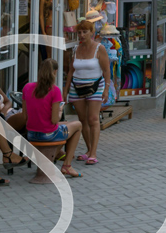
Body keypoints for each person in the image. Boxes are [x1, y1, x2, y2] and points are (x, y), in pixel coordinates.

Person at [26, 58, 84, 178]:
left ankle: (53, 158)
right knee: (78, 125)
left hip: (31, 133)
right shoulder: (54, 90)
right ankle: (67, 165)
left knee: (66, 124)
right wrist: (60, 110)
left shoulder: (27, 87)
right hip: (47, 134)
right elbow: (54, 120)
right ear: (55, 72)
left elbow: (25, 115)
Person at [64, 20, 111, 165]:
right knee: (82, 119)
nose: (82, 35)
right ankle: (89, 149)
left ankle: (94, 153)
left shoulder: (99, 48)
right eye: (79, 32)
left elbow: (106, 70)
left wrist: (107, 89)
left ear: (92, 32)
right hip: (77, 87)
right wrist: (65, 90)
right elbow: (71, 70)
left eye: (85, 32)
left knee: (93, 119)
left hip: (95, 86)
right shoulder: (76, 49)